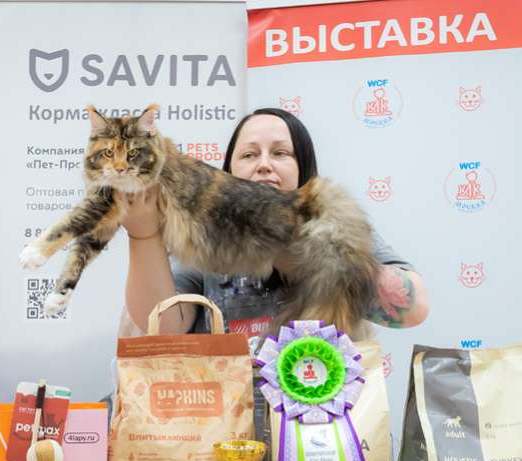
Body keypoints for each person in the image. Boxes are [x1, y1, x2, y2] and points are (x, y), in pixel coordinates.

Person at [119, 108, 429, 337]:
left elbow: (413, 309)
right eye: (249, 155)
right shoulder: (202, 236)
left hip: (324, 405)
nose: (264, 164)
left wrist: (305, 248)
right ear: (227, 173)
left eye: (280, 153)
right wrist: (143, 235)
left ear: (301, 168)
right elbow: (163, 326)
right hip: (229, 406)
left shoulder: (338, 224)